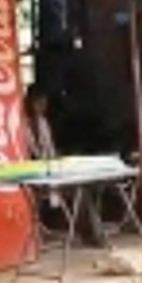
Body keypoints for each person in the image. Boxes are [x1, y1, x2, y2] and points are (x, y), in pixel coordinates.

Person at [23, 83, 106, 247]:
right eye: (39, 103)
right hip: (33, 175)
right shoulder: (21, 124)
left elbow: (50, 149)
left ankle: (92, 234)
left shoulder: (42, 122)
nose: (42, 107)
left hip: (50, 172)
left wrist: (58, 159)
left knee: (82, 191)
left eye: (44, 103)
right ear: (29, 102)